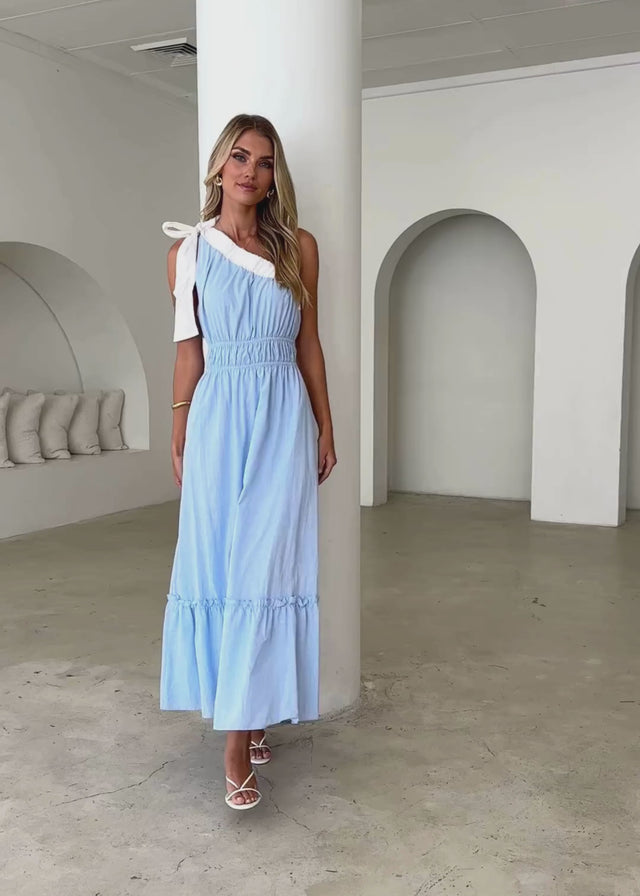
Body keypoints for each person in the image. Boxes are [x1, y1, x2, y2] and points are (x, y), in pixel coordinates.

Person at [159, 114, 336, 810]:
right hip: (217, 416)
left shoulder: (299, 247)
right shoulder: (187, 253)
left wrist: (325, 423)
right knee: (221, 564)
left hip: (283, 414)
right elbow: (189, 351)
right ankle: (242, 727)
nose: (250, 172)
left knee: (267, 566)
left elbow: (308, 343)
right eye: (239, 156)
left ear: (273, 176)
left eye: (263, 162)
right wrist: (180, 427)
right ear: (218, 165)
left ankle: (242, 732)